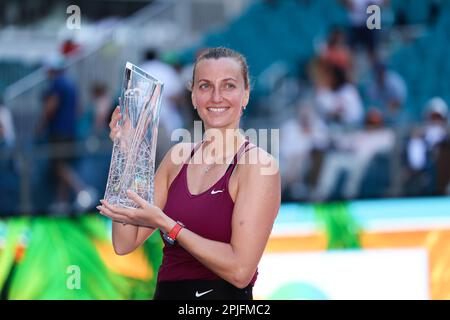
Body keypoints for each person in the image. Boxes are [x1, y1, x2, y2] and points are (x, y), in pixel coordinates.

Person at [97, 47, 281, 300]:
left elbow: (240, 270)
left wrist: (168, 225)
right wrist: (128, 156)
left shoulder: (258, 166)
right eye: (205, 86)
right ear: (193, 96)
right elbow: (124, 242)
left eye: (228, 86)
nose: (217, 97)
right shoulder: (177, 158)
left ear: (246, 95)